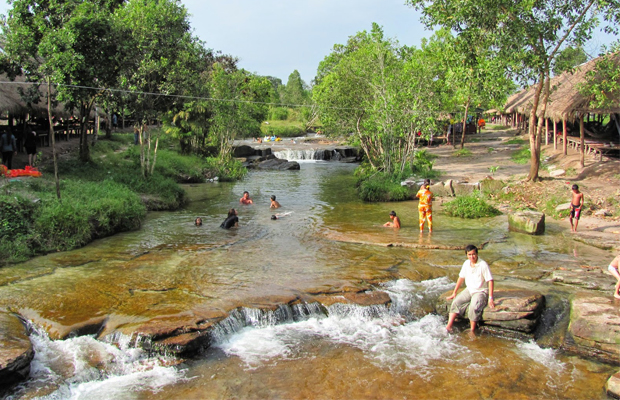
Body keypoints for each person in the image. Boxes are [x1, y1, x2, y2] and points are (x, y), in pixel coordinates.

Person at [446, 245, 495, 333]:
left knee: (473, 307)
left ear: (477, 254)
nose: (472, 257)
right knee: (456, 302)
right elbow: (461, 278)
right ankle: (449, 326)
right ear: (466, 255)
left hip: (480, 291)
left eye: (473, 254)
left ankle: (472, 330)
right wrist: (454, 292)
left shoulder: (482, 265)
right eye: (469, 254)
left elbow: (490, 281)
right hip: (469, 289)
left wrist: (490, 298)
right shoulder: (466, 264)